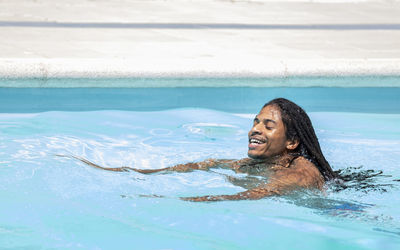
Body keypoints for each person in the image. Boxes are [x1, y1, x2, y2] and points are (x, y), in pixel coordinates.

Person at [67, 98, 337, 202]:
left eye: (268, 126)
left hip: (340, 212)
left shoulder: (299, 174)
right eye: (255, 122)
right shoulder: (264, 163)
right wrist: (135, 171)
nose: (255, 130)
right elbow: (205, 164)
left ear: (292, 143)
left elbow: (250, 196)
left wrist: (182, 200)